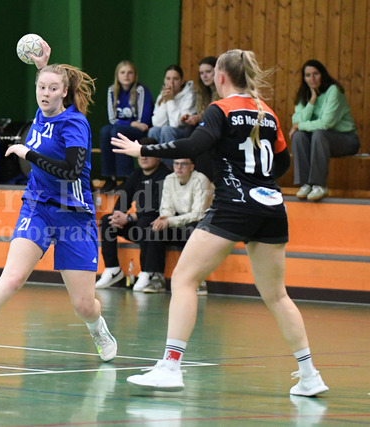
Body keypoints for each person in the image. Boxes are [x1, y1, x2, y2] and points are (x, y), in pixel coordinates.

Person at [111, 49, 328, 397]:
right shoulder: (266, 112)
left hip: (234, 206)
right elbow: (282, 163)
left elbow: (194, 145)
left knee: (183, 278)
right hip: (272, 207)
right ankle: (309, 375)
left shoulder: (220, 109)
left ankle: (170, 367)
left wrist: (144, 150)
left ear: (221, 77)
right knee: (277, 295)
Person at [0, 40, 117, 363]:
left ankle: (98, 328)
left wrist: (29, 154)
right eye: (41, 88)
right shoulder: (43, 111)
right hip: (37, 207)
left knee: (84, 305)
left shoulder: (75, 124)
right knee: (12, 277)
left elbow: (71, 171)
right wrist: (43, 66)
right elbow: (48, 83)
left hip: (74, 215)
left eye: (53, 89)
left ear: (64, 93)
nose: (45, 94)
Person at [94, 138, 170, 291]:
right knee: (107, 221)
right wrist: (117, 215)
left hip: (162, 229)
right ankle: (113, 269)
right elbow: (125, 196)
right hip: (141, 227)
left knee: (146, 221)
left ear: (158, 156)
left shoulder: (166, 175)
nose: (143, 157)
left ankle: (147, 272)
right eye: (141, 153)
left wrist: (129, 218)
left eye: (148, 153)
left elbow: (158, 208)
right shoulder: (137, 174)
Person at [140, 156, 212, 294]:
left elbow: (197, 214)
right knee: (156, 229)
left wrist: (170, 221)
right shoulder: (169, 179)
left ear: (192, 166)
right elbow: (166, 207)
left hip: (203, 225)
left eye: (183, 164)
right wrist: (163, 218)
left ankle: (198, 279)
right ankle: (157, 278)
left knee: (194, 230)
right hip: (179, 222)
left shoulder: (201, 180)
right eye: (176, 164)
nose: (179, 167)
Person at [290, 59, 360, 201]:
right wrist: (312, 101)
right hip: (318, 141)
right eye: (308, 75)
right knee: (298, 136)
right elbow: (297, 120)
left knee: (319, 134)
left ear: (323, 74)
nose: (312, 78)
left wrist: (299, 126)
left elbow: (326, 123)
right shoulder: (303, 94)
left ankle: (319, 185)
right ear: (304, 78)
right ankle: (306, 184)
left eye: (316, 74)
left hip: (346, 139)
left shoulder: (334, 90)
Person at [98, 60, 153, 194]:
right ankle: (109, 178)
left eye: (130, 73)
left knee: (117, 131)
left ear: (135, 75)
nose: (126, 76)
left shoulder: (141, 90)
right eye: (122, 72)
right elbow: (112, 119)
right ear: (117, 75)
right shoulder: (112, 90)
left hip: (139, 132)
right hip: (124, 128)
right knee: (105, 131)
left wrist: (130, 124)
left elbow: (143, 122)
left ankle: (126, 178)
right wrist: (131, 123)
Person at [180, 56, 221, 181]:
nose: (204, 76)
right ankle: (189, 168)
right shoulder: (202, 92)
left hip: (219, 128)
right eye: (201, 73)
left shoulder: (221, 91)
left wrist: (199, 118)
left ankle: (200, 174)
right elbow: (202, 113)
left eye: (208, 72)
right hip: (207, 128)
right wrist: (191, 117)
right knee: (190, 129)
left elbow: (217, 113)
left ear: (217, 72)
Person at [148, 65, 196, 146]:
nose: (171, 82)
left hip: (184, 131)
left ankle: (168, 155)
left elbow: (176, 124)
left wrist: (170, 100)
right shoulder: (162, 95)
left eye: (175, 79)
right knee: (153, 131)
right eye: (168, 78)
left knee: (167, 130)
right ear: (164, 80)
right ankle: (154, 155)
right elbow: (157, 124)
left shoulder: (189, 95)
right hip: (166, 129)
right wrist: (164, 101)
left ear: (182, 81)